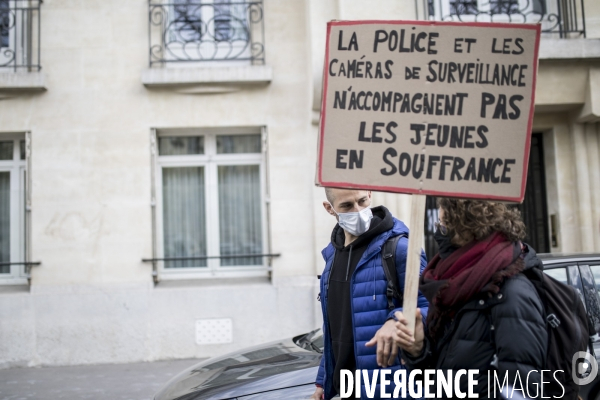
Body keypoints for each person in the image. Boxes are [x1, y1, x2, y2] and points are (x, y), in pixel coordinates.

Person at [394, 198, 548, 398]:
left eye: (443, 225)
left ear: (466, 230)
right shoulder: (458, 287)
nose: (439, 232)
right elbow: (445, 380)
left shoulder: (511, 294)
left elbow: (523, 390)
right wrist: (418, 351)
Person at [311, 188, 429, 400]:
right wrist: (323, 382)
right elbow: (335, 329)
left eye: (362, 201)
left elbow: (433, 308)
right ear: (329, 209)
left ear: (370, 195)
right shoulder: (331, 257)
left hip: (394, 389)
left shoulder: (400, 249)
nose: (358, 211)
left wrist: (397, 320)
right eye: (347, 206)